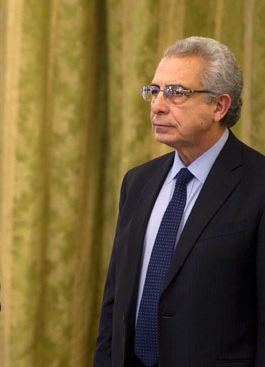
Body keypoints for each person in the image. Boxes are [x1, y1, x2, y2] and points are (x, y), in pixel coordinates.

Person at [94, 36, 265, 366]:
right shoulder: (137, 182)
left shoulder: (257, 185)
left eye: (176, 92)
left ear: (219, 106)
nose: (157, 104)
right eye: (154, 90)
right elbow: (115, 303)